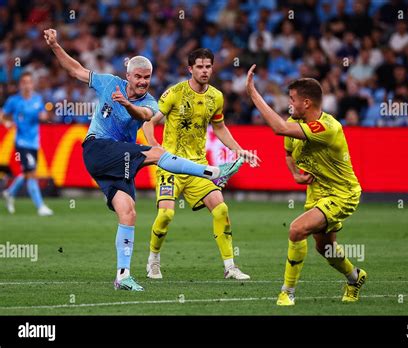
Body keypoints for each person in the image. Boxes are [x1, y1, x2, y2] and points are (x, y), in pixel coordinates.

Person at [43, 29, 243, 291]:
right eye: (138, 76)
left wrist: (127, 105)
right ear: (128, 75)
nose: (143, 81)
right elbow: (76, 70)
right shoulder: (107, 82)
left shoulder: (151, 100)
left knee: (128, 213)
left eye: (147, 77)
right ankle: (212, 172)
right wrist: (56, 45)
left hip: (118, 160)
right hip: (97, 148)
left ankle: (122, 275)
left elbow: (144, 114)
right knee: (156, 152)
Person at [246, 65, 366, 306]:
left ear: (307, 103)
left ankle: (287, 292)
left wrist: (253, 94)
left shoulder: (328, 128)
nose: (290, 105)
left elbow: (278, 128)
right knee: (326, 249)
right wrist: (295, 176)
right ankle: (355, 278)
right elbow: (289, 154)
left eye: (292, 99)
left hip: (342, 193)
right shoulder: (295, 122)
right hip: (317, 192)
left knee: (296, 230)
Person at [143, 48, 260, 280]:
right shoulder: (174, 93)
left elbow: (220, 127)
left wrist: (239, 151)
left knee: (221, 209)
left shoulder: (216, 97)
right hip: (171, 166)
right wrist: (156, 147)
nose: (205, 71)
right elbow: (148, 123)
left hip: (198, 167)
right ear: (190, 69)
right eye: (200, 67)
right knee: (166, 215)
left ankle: (230, 267)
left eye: (208, 66)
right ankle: (153, 260)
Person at [1, 72, 54, 216]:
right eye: (24, 82)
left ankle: (9, 192)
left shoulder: (37, 99)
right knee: (31, 173)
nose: (27, 85)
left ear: (32, 84)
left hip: (34, 142)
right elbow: (3, 114)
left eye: (29, 82)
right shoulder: (14, 100)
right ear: (20, 85)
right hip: (21, 142)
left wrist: (44, 116)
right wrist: (6, 122)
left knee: (26, 172)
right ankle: (40, 206)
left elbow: (44, 114)